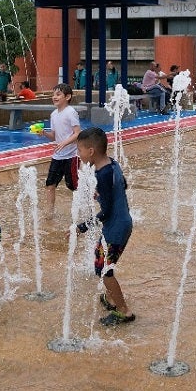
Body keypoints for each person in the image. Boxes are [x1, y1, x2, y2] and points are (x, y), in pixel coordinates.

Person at [75, 126, 135, 326]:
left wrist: (81, 227)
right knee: (100, 264)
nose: (78, 154)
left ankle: (124, 311)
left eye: (80, 150)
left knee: (105, 270)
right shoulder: (112, 164)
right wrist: (104, 194)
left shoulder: (102, 175)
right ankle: (111, 299)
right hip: (119, 224)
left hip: (116, 228)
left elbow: (106, 212)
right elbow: (123, 184)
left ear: (91, 151)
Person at [39, 83, 80, 213]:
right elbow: (54, 136)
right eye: (53, 95)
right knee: (50, 185)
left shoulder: (70, 112)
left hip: (71, 156)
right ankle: (49, 213)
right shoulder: (53, 114)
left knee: (74, 186)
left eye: (58, 94)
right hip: (57, 156)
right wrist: (44, 133)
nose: (54, 97)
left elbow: (78, 133)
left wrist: (64, 143)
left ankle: (85, 209)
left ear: (67, 97)